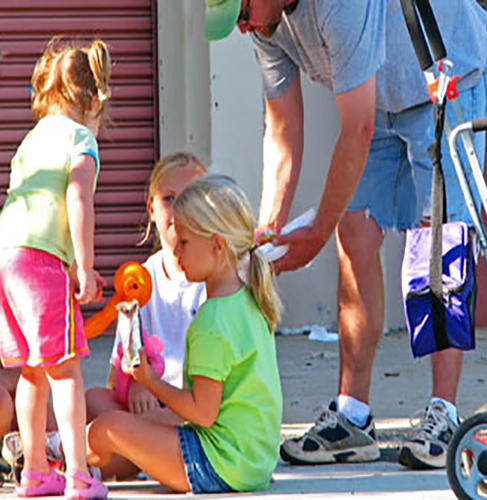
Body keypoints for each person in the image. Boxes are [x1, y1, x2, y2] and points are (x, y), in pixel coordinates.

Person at [203, 0, 487, 469]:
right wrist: (267, 229)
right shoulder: (265, 24)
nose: (241, 27)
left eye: (241, 11)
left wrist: (316, 233)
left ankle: (444, 413)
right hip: (375, 97)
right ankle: (353, 417)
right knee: (354, 235)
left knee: (437, 243)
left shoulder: (337, 5)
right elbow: (281, 129)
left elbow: (354, 131)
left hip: (445, 79)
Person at [86, 174, 283, 493]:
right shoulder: (249, 300)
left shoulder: (212, 321)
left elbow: (201, 413)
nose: (176, 251)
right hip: (251, 461)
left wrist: (149, 380)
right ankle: (79, 463)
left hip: (218, 465)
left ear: (217, 245)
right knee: (138, 427)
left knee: (106, 428)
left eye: (186, 242)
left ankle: (59, 457)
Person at [0, 38, 111, 497]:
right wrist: (84, 266)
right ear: (91, 101)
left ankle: (35, 472)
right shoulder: (79, 138)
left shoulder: (31, 139)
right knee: (65, 371)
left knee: (31, 370)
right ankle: (79, 474)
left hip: (7, 259)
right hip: (42, 263)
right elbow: (77, 198)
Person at [85, 152, 207, 480]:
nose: (179, 210)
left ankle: (78, 459)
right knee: (93, 400)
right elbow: (119, 371)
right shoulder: (141, 278)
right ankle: (91, 459)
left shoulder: (212, 279)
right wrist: (137, 384)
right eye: (169, 199)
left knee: (114, 430)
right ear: (151, 208)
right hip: (148, 406)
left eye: (191, 199)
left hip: (193, 409)